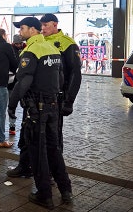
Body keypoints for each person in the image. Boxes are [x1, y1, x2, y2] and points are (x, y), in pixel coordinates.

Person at [7, 17, 72, 209]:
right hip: (53, 107)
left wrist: (11, 105)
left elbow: (24, 81)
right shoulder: (53, 49)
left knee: (37, 152)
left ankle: (45, 194)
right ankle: (66, 189)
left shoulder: (31, 51)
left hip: (37, 109)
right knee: (54, 150)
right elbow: (60, 79)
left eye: (23, 28)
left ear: (33, 30)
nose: (21, 31)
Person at [40, 13, 82, 150]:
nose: (43, 28)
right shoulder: (40, 42)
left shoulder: (67, 43)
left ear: (55, 25)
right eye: (41, 25)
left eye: (45, 25)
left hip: (57, 97)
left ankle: (55, 167)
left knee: (53, 135)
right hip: (39, 96)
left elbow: (75, 74)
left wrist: (69, 101)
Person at [7, 34, 25, 136]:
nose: (19, 45)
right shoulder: (10, 49)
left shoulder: (26, 48)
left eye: (20, 43)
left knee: (24, 104)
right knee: (11, 104)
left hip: (22, 82)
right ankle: (12, 126)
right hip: (12, 82)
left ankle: (24, 124)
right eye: (17, 43)